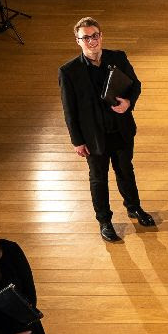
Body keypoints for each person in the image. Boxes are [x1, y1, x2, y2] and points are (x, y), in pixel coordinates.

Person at [59, 17, 155, 243]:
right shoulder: (68, 71)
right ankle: (104, 221)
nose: (91, 41)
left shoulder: (118, 57)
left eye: (95, 36)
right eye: (86, 38)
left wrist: (128, 102)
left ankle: (134, 207)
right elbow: (69, 110)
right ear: (78, 41)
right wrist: (77, 141)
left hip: (120, 129)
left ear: (101, 36)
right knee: (98, 179)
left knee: (125, 170)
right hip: (93, 137)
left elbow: (135, 85)